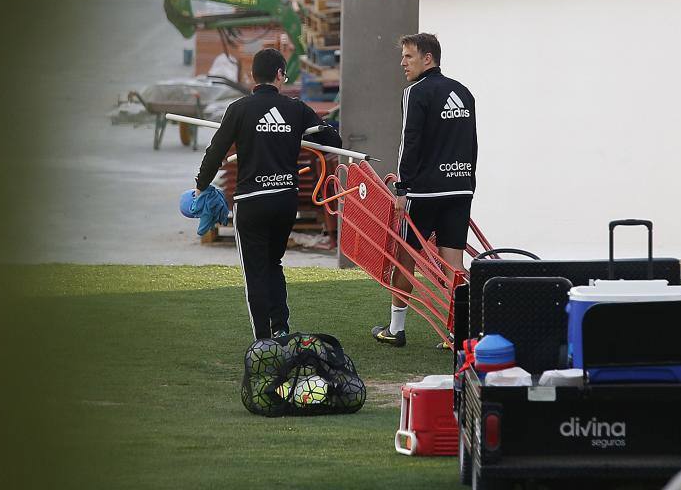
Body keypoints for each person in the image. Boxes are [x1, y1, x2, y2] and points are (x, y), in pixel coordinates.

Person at [195, 48, 341, 341]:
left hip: (251, 202)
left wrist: (201, 185)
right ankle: (281, 326)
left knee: (255, 272)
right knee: (273, 263)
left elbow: (215, 152)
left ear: (252, 76)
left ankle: (263, 340)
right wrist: (299, 131)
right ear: (279, 74)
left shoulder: (238, 109)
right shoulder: (296, 109)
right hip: (284, 201)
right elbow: (332, 140)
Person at [372, 33, 478, 347]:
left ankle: (395, 329)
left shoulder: (415, 92)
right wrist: (467, 183)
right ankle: (458, 333)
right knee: (454, 265)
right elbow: (471, 144)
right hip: (459, 189)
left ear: (427, 58)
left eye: (408, 56)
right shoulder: (464, 92)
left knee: (405, 258)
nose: (403, 62)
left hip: (423, 193)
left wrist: (402, 189)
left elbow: (410, 143)